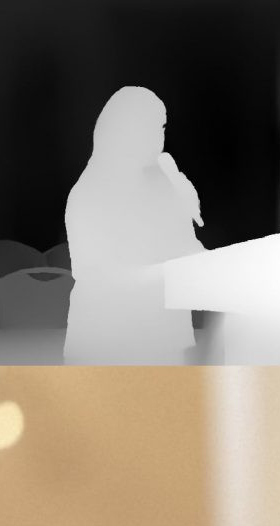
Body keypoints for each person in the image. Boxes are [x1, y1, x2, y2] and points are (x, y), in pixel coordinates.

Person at [62, 86, 204, 364]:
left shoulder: (163, 181)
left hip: (166, 344)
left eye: (161, 128)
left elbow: (186, 248)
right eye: (148, 128)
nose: (158, 140)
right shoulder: (89, 193)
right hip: (108, 347)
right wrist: (172, 272)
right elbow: (99, 277)